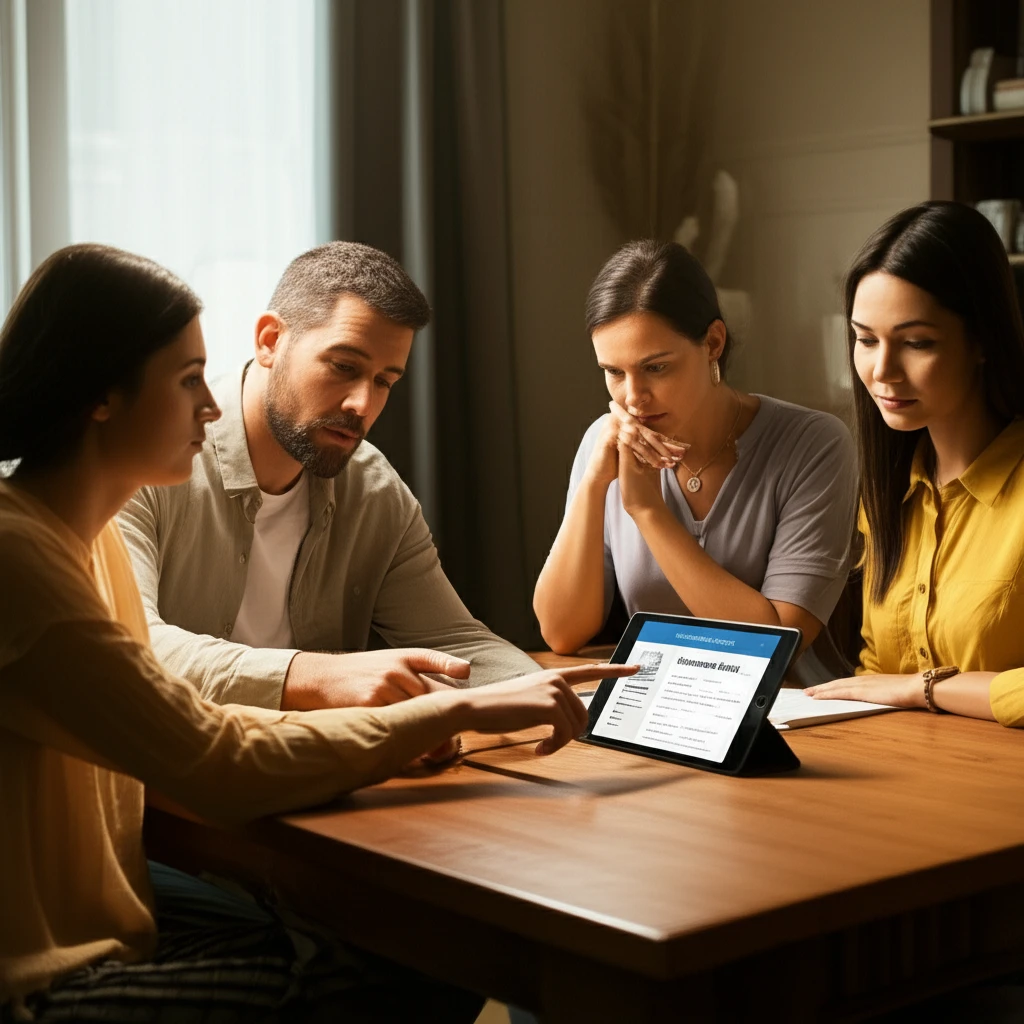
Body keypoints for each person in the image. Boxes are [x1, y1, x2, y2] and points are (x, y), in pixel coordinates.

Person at [0, 243, 634, 1022]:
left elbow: (452, 642)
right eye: (186, 379)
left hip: (111, 928)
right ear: (102, 394)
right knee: (422, 966)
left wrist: (533, 707)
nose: (208, 405)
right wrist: (432, 711)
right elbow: (210, 752)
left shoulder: (74, 537)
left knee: (419, 943)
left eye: (387, 383)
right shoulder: (30, 555)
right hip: (43, 984)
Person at [116, 241, 539, 714]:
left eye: (384, 382)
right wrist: (319, 676)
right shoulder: (146, 463)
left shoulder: (372, 488)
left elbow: (456, 644)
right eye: (344, 367)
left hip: (327, 772)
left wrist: (565, 698)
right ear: (270, 340)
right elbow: (131, 646)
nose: (363, 404)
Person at [533, 240, 857, 680]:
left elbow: (774, 647)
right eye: (614, 372)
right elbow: (561, 632)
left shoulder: (813, 444)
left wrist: (647, 511)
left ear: (713, 344)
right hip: (659, 714)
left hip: (790, 718)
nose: (633, 397)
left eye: (657, 367)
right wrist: (594, 483)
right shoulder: (603, 445)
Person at [804, 201, 1024, 728]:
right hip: (907, 774)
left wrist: (921, 688)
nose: (881, 371)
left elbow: (898, 685)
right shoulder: (889, 492)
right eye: (864, 339)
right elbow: (877, 675)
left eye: (917, 343)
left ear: (982, 342)